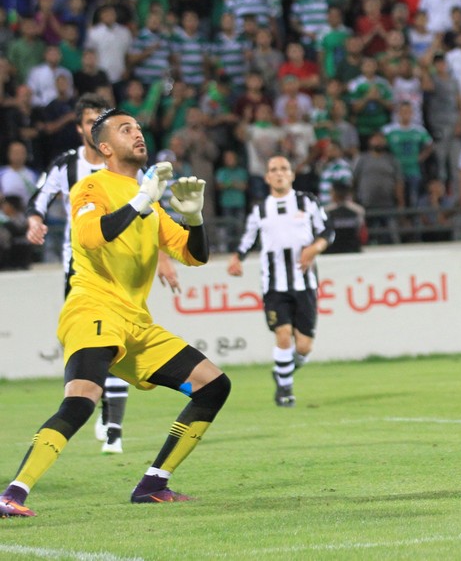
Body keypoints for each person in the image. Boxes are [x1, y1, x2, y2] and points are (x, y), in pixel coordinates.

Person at [0, 109, 226, 517]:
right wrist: (141, 200)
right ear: (104, 147)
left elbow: (194, 255)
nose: (137, 134)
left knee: (213, 385)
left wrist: (194, 219)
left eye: (138, 128)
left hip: (136, 323)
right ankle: (13, 494)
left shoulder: (149, 200)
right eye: (125, 129)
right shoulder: (92, 186)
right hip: (93, 308)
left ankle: (153, 484)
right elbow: (90, 236)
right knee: (82, 399)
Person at [23, 93, 180, 454]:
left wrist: (164, 256)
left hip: (125, 269)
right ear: (81, 128)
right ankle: (98, 410)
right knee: (95, 348)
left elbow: (150, 216)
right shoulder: (67, 166)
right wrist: (34, 221)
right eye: (89, 120)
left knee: (117, 342)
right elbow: (38, 200)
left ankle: (113, 425)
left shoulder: (131, 170)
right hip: (82, 270)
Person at [228, 156, 333, 408]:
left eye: (284, 169)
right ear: (267, 177)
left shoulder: (307, 202)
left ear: (292, 174)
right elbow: (248, 239)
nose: (279, 173)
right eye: (273, 170)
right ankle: (285, 391)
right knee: (283, 334)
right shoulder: (260, 210)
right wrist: (237, 258)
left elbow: (327, 231)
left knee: (304, 347)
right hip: (274, 285)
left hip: (305, 283)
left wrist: (314, 248)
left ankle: (282, 371)